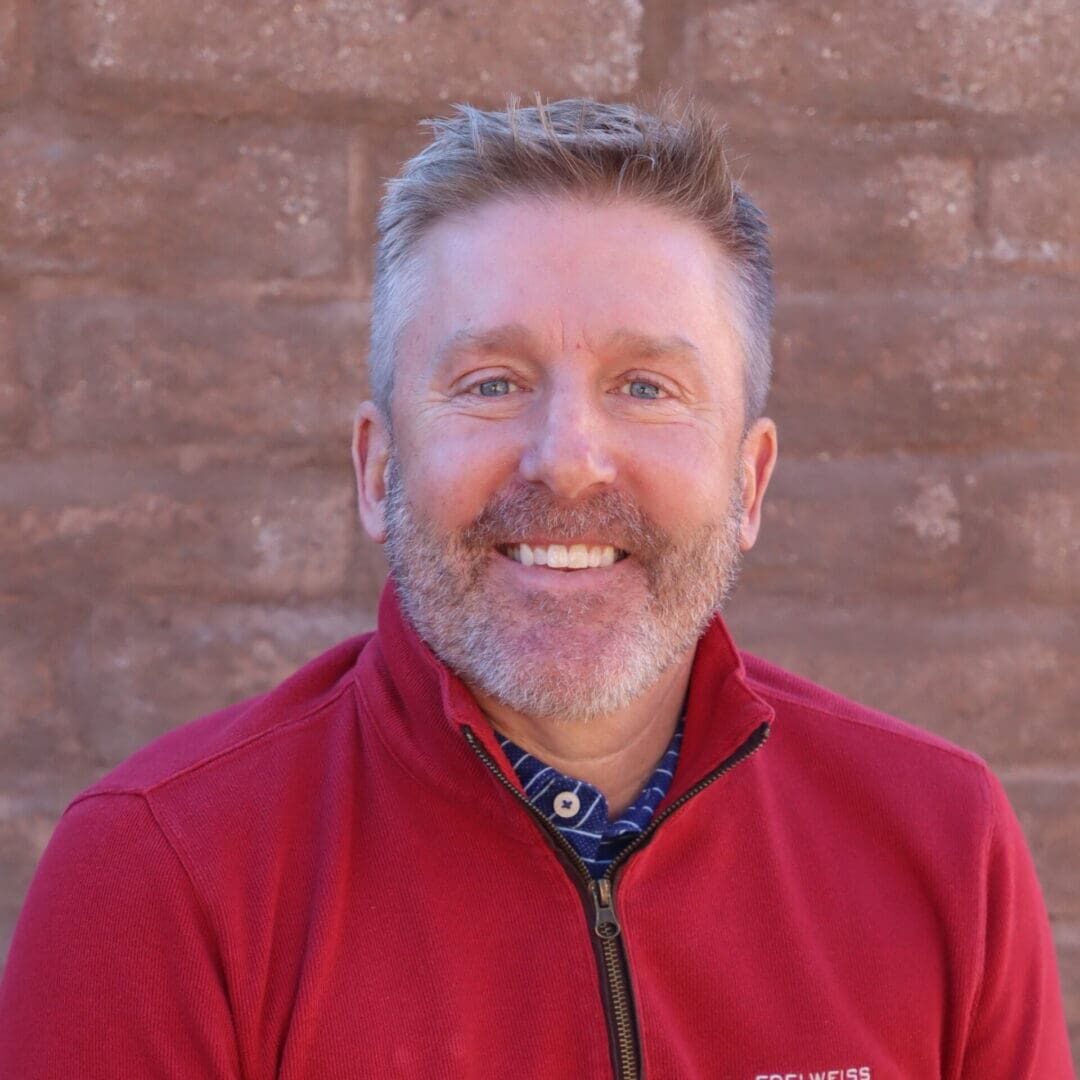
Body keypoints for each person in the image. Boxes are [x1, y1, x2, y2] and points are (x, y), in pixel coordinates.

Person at [0, 97, 1071, 1079]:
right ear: (378, 470)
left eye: (646, 387)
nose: (566, 459)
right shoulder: (160, 875)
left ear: (748, 482)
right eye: (492, 384)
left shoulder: (940, 844)